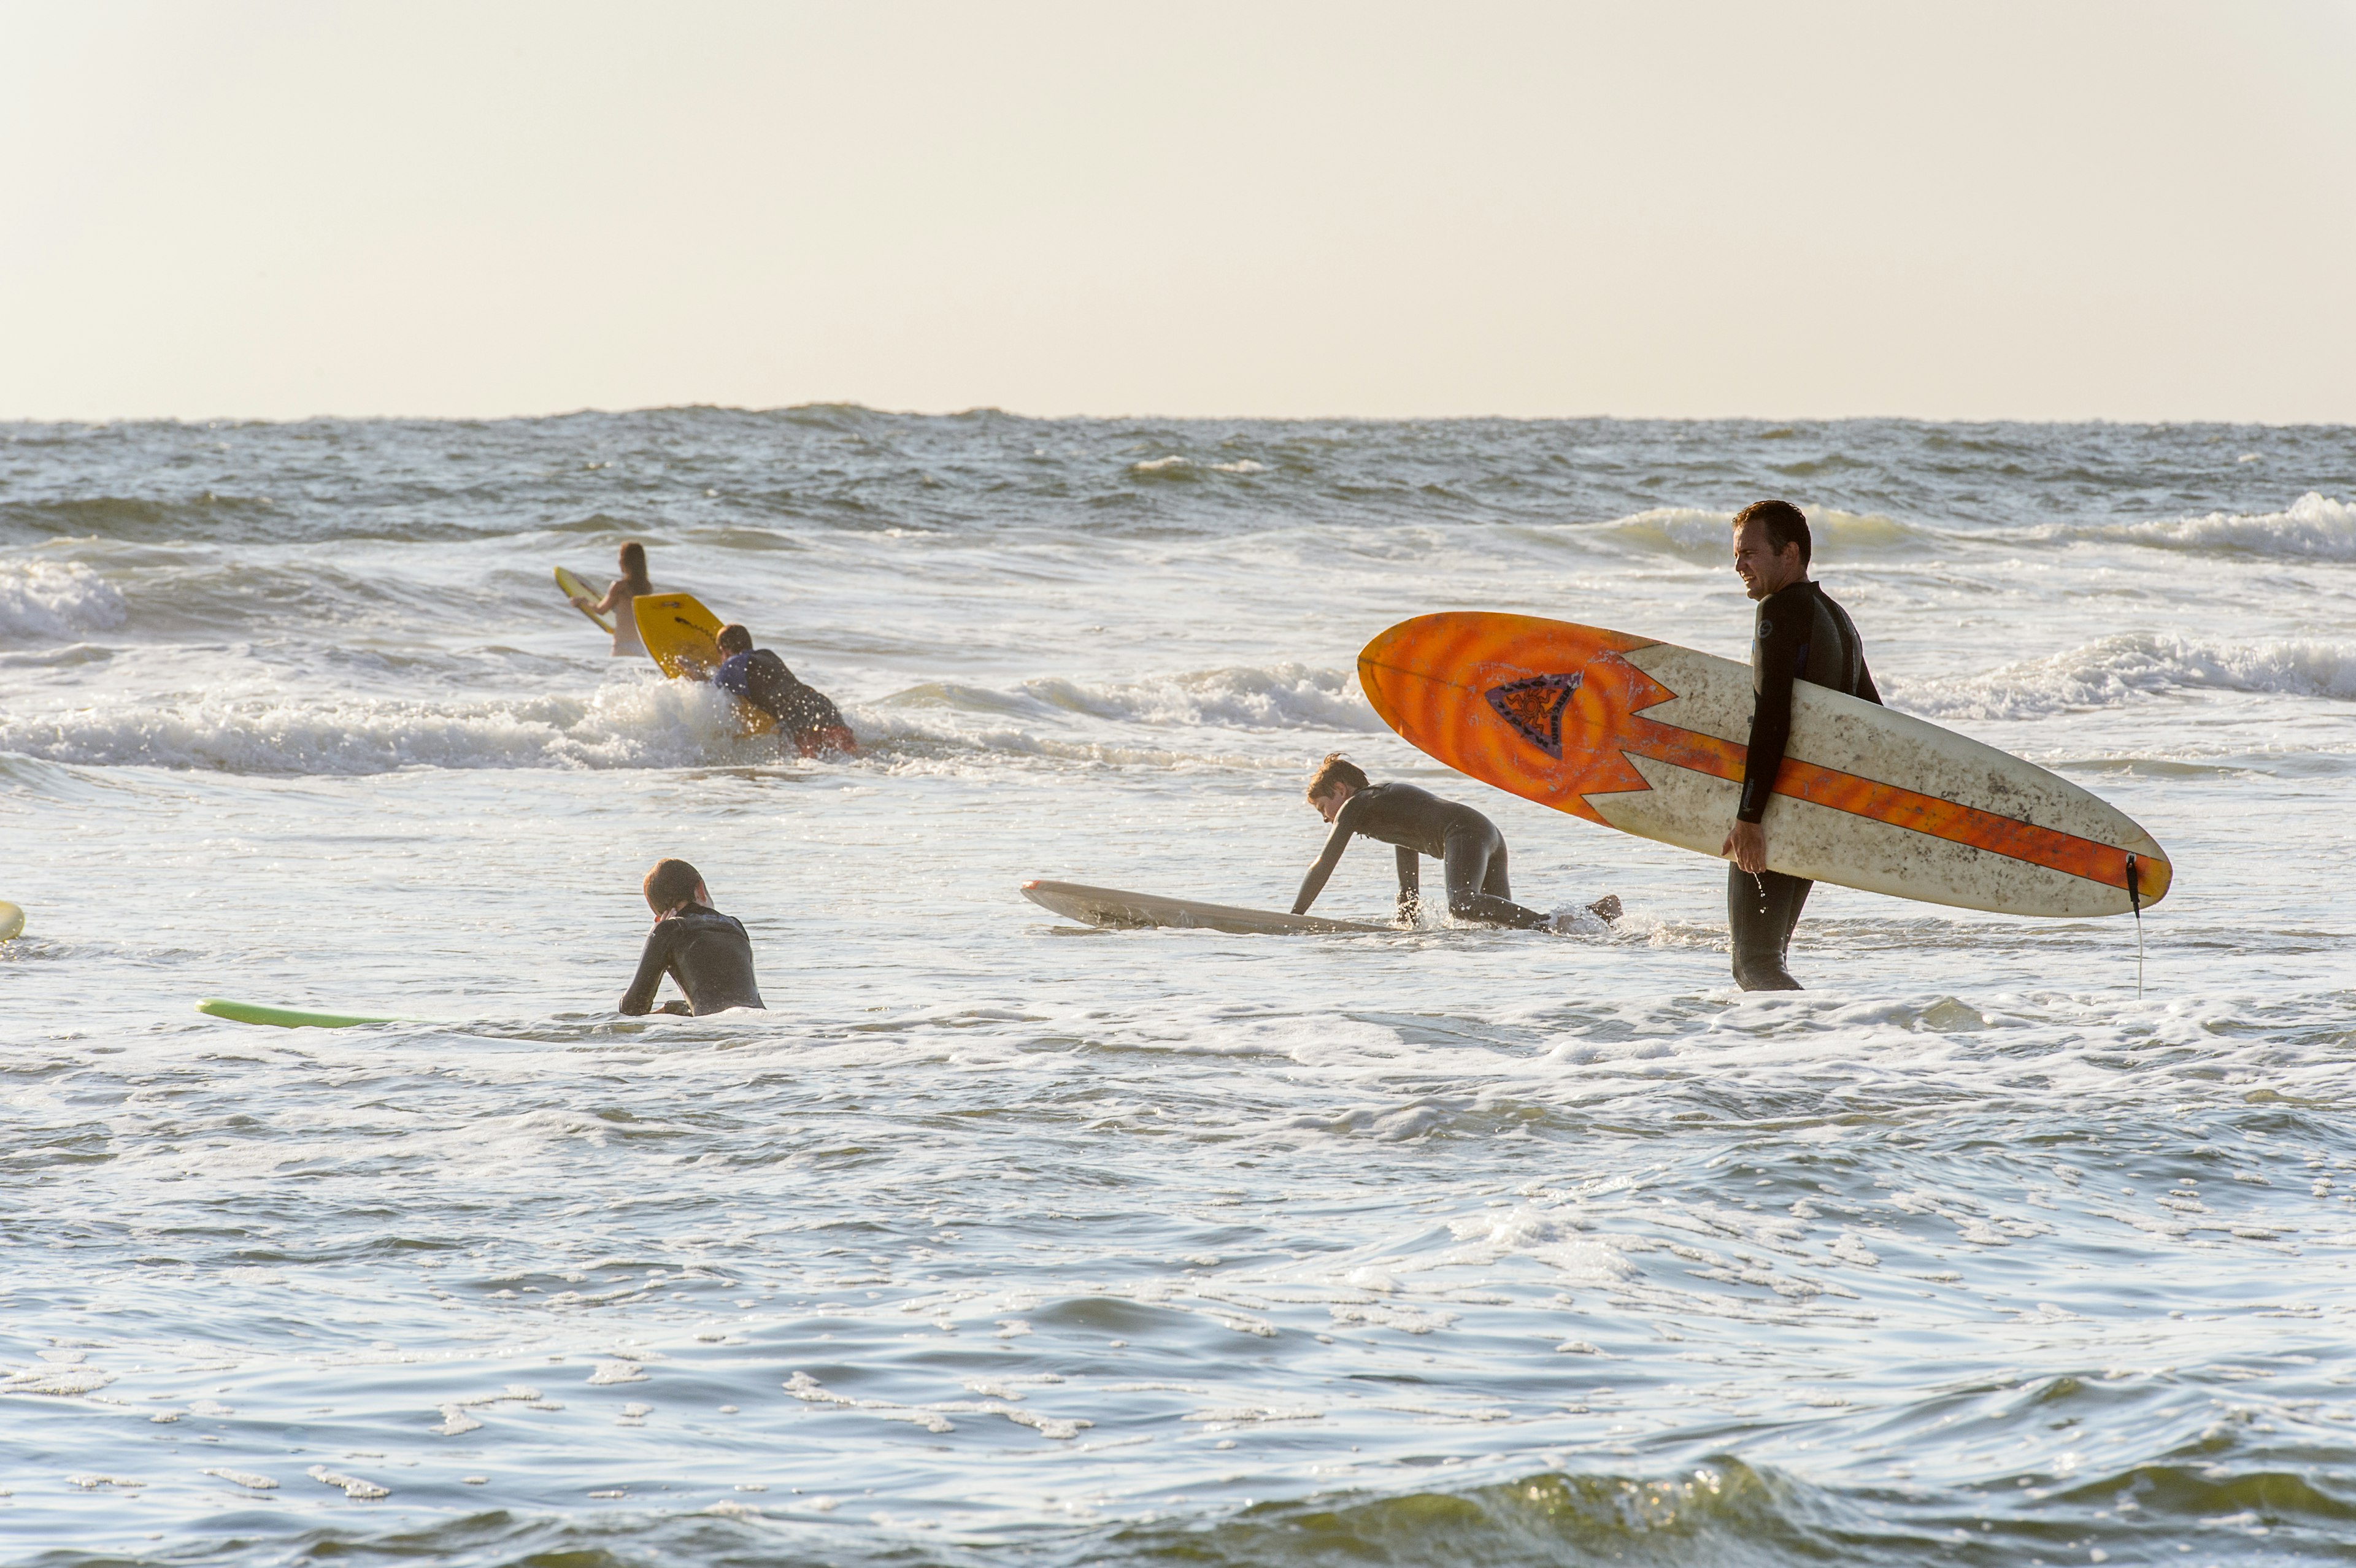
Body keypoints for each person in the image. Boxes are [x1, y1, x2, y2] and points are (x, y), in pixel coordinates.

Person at [1719, 499, 1882, 991]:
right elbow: (1873, 721)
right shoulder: (1835, 616)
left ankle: (1823, 1050)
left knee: (1755, 964)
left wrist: (1750, 818)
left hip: (1778, 811)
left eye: (1749, 552)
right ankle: (1796, 1060)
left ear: (1788, 553)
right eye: (1735, 554)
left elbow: (1772, 718)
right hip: (1813, 808)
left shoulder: (1780, 609)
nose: (1738, 565)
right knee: (1772, 959)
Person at [1292, 753, 1620, 929]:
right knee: (1502, 928)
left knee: (1462, 903)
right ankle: (1591, 914)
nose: (1325, 818)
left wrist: (1295, 916)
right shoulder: (1380, 808)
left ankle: (1553, 923)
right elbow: (1407, 847)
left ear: (1340, 790)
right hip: (1485, 833)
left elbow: (1324, 864)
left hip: (1466, 832)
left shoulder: (1355, 805)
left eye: (1323, 807)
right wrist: (1408, 912)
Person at [618, 858, 765, 1017]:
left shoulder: (669, 930)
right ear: (700, 890)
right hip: (761, 1026)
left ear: (659, 917)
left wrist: (659, 933)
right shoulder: (736, 926)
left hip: (717, 1029)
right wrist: (671, 1008)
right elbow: (728, 1001)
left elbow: (632, 1008)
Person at [711, 623, 859, 757]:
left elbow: (710, 692)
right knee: (853, 756)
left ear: (723, 650)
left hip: (796, 718)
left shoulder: (731, 666)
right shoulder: (767, 655)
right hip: (820, 705)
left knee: (806, 765)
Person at [572, 541, 656, 658]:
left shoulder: (619, 586)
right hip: (640, 647)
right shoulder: (647, 587)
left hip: (622, 644)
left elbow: (601, 610)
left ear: (624, 561)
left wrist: (582, 601)